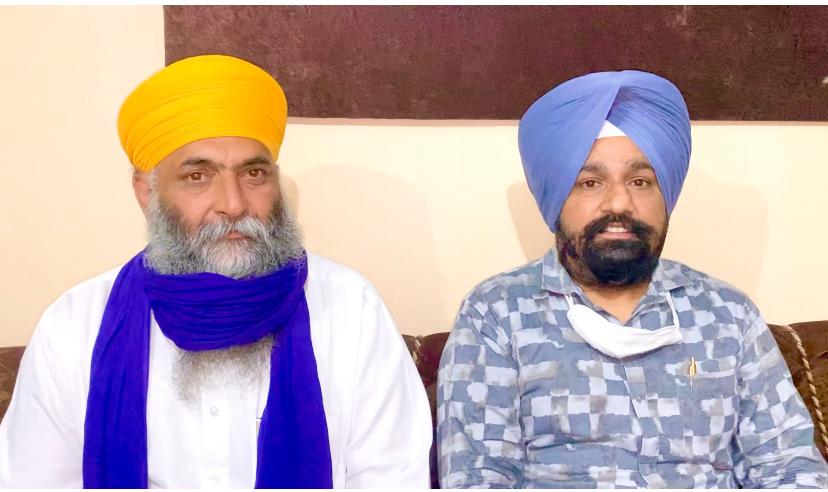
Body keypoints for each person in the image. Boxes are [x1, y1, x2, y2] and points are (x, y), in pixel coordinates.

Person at [0, 54, 432, 488]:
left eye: (254, 173)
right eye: (198, 177)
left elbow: (392, 477)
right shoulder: (74, 325)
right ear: (146, 192)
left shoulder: (350, 308)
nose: (234, 203)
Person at [437, 70, 828, 488]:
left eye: (640, 182)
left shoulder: (727, 314)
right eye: (590, 182)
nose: (619, 203)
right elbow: (477, 478)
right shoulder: (497, 313)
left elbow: (790, 468)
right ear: (556, 198)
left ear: (665, 198)